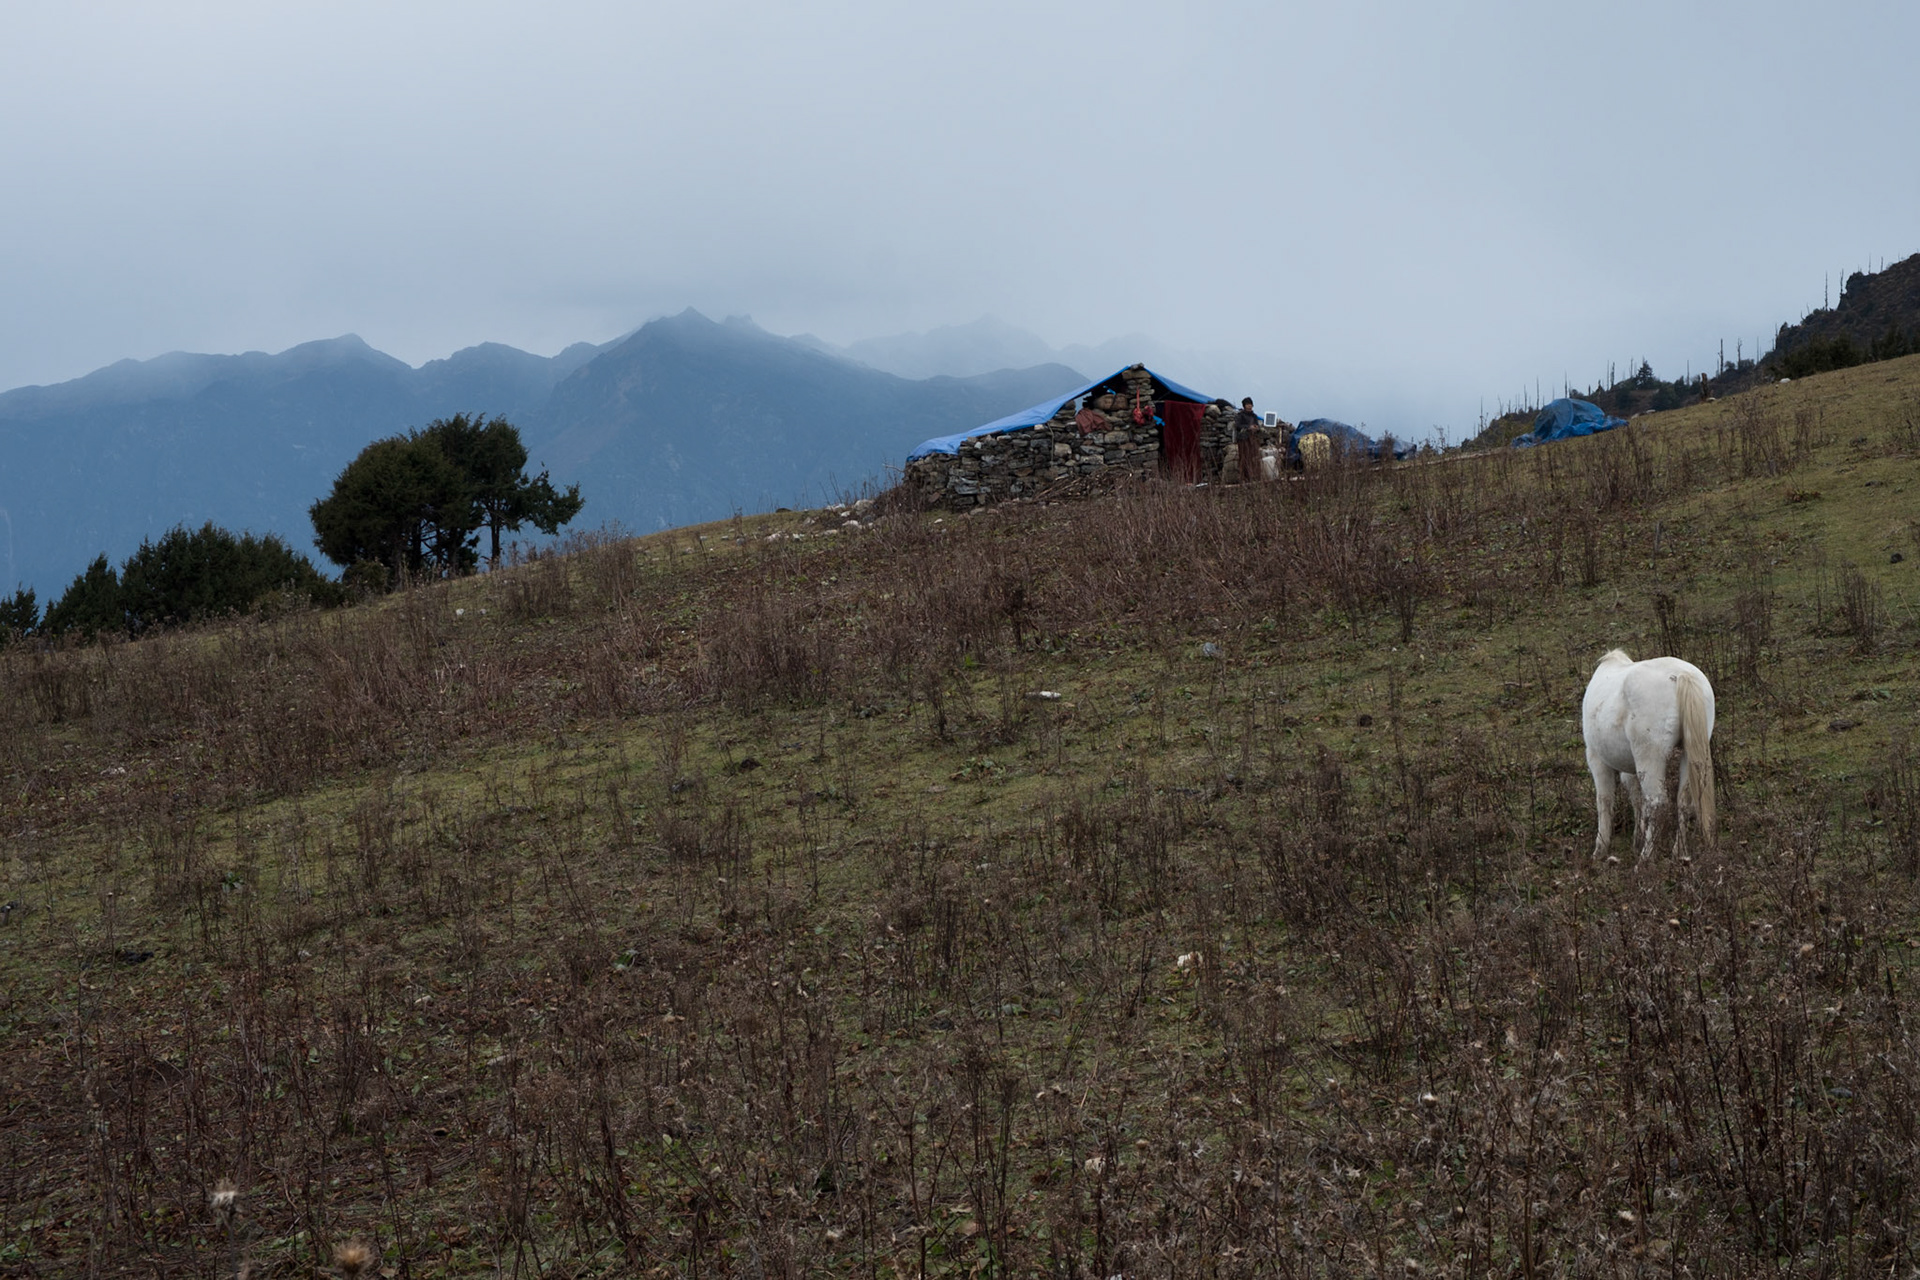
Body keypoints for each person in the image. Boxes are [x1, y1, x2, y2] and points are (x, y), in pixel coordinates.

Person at [1232, 397, 1263, 483]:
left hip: (1252, 439)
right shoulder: (1240, 415)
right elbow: (1238, 426)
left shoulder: (1254, 416)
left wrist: (1256, 428)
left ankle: (1252, 476)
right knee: (1244, 458)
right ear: (1244, 406)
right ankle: (1242, 477)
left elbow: (1257, 425)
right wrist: (1248, 427)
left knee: (1253, 457)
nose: (1249, 406)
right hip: (1243, 439)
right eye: (1247, 405)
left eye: (1250, 404)